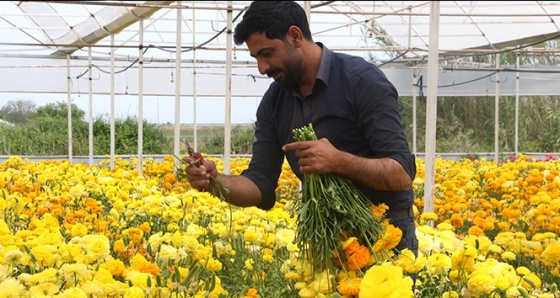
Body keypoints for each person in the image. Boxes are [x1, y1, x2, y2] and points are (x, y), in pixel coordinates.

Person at [183, 0, 418, 274]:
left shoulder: (362, 81)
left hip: (385, 236)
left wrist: (338, 161)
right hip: (326, 237)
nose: (261, 68)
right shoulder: (273, 102)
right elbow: (260, 183)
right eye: (256, 58)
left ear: (295, 36)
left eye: (267, 53)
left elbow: (402, 173)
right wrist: (214, 181)